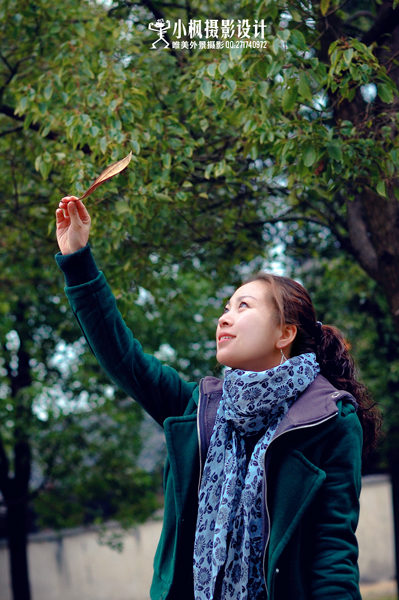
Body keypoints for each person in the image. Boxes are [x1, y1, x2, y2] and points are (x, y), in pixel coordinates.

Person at [55, 197, 381, 600]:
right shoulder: (199, 408)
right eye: (226, 307)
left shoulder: (329, 419)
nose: (224, 317)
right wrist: (78, 260)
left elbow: (332, 551)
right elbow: (124, 358)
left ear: (285, 334)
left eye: (243, 306)